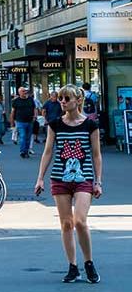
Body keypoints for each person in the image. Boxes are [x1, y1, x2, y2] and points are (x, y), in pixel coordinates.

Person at [34, 84, 103, 284]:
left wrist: (98, 181)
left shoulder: (90, 125)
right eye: (61, 98)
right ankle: (73, 266)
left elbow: (97, 155)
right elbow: (47, 152)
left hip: (84, 178)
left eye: (66, 98)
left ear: (78, 101)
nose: (62, 102)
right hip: (60, 178)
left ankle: (88, 262)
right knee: (66, 224)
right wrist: (40, 177)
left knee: (80, 221)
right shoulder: (55, 124)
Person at [10, 87, 38, 159]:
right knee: (23, 136)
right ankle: (22, 151)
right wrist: (12, 121)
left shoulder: (30, 100)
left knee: (28, 137)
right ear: (19, 93)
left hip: (30, 121)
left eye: (25, 91)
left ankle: (26, 151)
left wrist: (35, 116)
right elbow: (13, 111)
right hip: (20, 121)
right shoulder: (16, 101)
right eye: (23, 91)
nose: (24, 92)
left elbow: (34, 108)